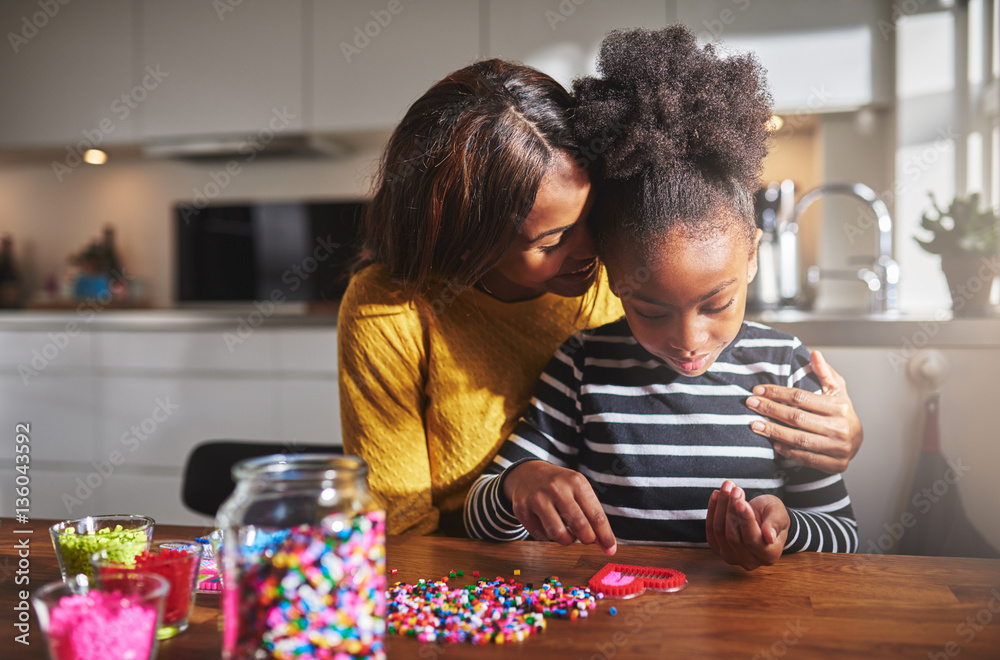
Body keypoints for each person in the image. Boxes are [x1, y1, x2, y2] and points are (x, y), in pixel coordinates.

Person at [338, 57, 863, 537]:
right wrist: (515, 488)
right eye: (552, 240)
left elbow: (835, 525)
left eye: (591, 219)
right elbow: (400, 528)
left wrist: (835, 440)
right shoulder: (394, 309)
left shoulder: (629, 274)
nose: (592, 250)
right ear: (471, 242)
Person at [463, 26, 857, 570]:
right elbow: (479, 518)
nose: (688, 340)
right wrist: (518, 484)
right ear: (610, 273)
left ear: (751, 258)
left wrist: (785, 528)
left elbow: (844, 536)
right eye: (649, 310)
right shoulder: (580, 366)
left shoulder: (787, 371)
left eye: (716, 304)